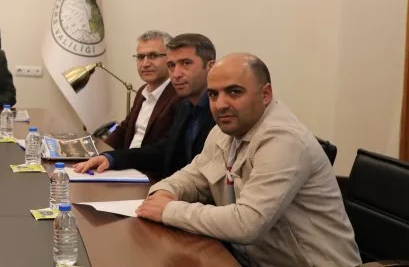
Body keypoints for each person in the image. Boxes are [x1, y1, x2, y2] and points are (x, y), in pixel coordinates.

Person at [137, 53, 361, 266]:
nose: (220, 104)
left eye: (234, 92)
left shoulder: (284, 140)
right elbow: (194, 176)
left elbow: (246, 223)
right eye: (213, 94)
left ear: (266, 94)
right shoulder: (223, 132)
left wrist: (168, 210)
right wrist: (164, 192)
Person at [74, 33, 216, 179]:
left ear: (210, 67)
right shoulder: (186, 106)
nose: (176, 74)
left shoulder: (219, 112)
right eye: (171, 65)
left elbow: (202, 175)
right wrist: (110, 158)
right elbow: (162, 151)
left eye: (186, 63)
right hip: (165, 184)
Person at [103, 30, 180, 149]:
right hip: (127, 158)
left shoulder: (178, 95)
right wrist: (98, 152)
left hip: (146, 160)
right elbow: (125, 129)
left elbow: (164, 148)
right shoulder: (142, 91)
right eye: (140, 57)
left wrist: (116, 158)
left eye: (153, 56)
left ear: (170, 59)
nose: (145, 64)